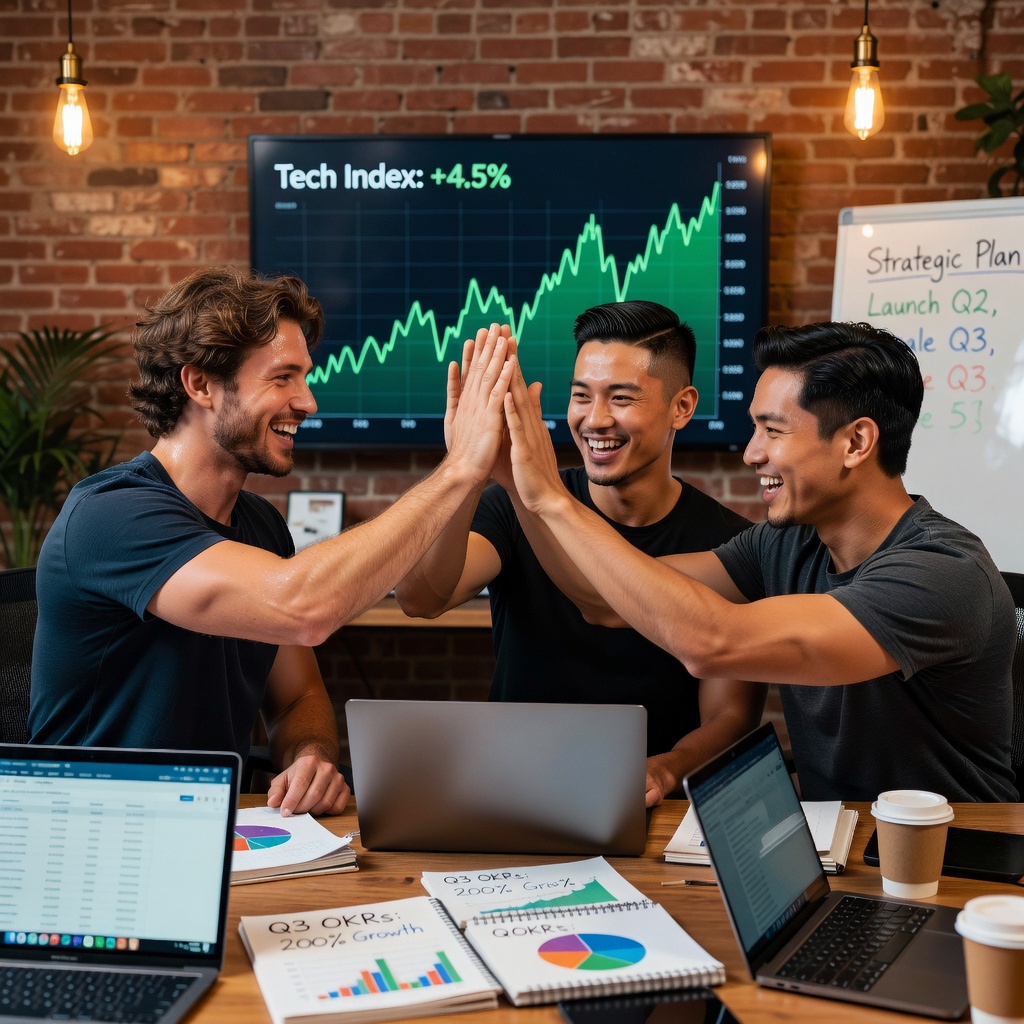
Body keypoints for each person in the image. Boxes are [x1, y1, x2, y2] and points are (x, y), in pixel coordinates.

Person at [28, 266, 515, 817]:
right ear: (201, 385)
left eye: (305, 377)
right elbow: (303, 606)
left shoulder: (259, 524)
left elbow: (298, 697)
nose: (307, 402)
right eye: (283, 378)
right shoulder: (110, 515)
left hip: (217, 833)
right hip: (94, 837)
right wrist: (459, 470)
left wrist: (309, 755)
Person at [502, 320, 1017, 802]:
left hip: (954, 862)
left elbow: (712, 642)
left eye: (773, 431)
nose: (751, 453)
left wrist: (553, 497)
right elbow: (604, 600)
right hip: (838, 846)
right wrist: (515, 481)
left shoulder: (942, 570)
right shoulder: (786, 544)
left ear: (856, 442)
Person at [396, 300, 764, 807]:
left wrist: (666, 768)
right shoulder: (511, 504)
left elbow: (730, 716)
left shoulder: (732, 543)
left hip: (646, 806)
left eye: (621, 398)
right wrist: (466, 467)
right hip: (509, 791)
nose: (596, 420)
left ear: (682, 406)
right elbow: (421, 598)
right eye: (580, 396)